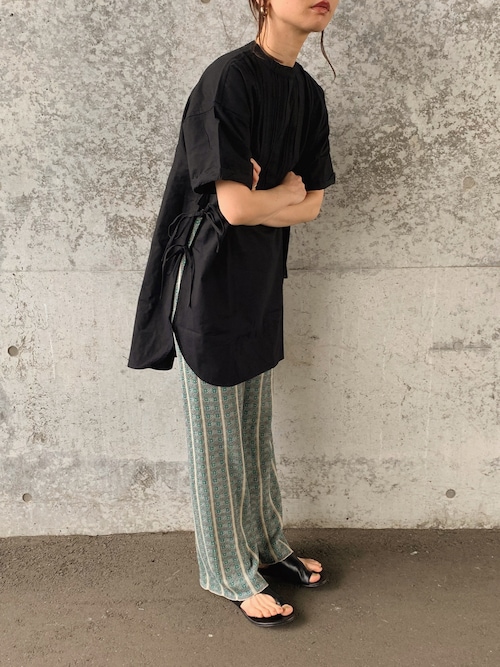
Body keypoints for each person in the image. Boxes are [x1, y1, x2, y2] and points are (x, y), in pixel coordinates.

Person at [128, 0, 339, 627]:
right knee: (218, 439)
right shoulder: (228, 79)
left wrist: (264, 195)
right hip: (208, 283)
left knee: (252, 430)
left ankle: (266, 545)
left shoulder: (308, 94)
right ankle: (225, 569)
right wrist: (280, 193)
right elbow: (235, 208)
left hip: (259, 281)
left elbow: (312, 205)